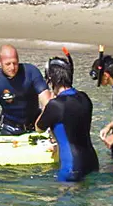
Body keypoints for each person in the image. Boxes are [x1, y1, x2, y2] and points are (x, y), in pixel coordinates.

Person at [35, 50, 99, 182]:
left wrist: (48, 103)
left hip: (71, 167)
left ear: (51, 79)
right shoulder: (85, 98)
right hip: (92, 163)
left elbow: (39, 127)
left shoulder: (55, 105)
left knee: (65, 201)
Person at [0, 45, 51, 136]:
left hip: (35, 126)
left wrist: (41, 125)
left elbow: (47, 102)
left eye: (15, 63)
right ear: (0, 63)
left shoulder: (31, 72)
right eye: (8, 64)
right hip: (9, 128)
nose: (12, 67)